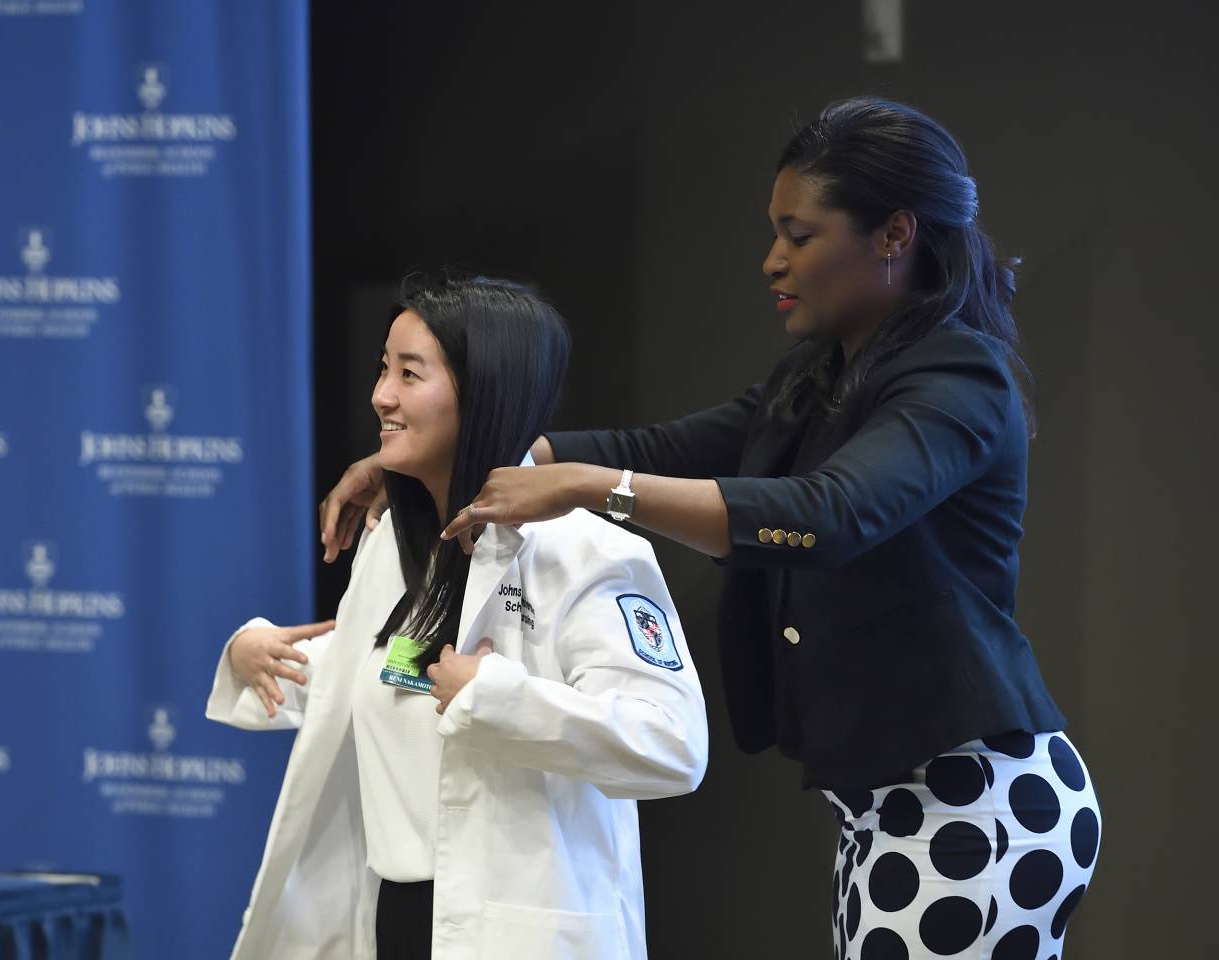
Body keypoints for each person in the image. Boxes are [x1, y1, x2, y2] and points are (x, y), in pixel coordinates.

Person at [321, 99, 1100, 958]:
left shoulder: (960, 375)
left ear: (894, 235)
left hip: (977, 808)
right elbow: (659, 447)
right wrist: (441, 453)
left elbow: (832, 515)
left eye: (800, 236)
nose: (774, 260)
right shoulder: (819, 377)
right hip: (890, 808)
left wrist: (595, 490)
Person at [208, 275, 707, 960]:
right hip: (397, 921)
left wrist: (499, 699)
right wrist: (260, 654)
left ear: (485, 391)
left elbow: (673, 746)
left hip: (522, 931)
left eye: (410, 374)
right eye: (384, 368)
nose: (381, 395)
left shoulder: (587, 553)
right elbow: (401, 671)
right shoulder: (393, 542)